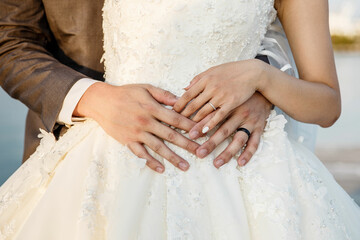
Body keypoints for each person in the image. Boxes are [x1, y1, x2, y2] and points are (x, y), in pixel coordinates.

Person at [1, 0, 359, 239]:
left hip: (243, 169)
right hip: (110, 157)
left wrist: (262, 79)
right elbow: (10, 41)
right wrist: (95, 98)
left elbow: (325, 100)